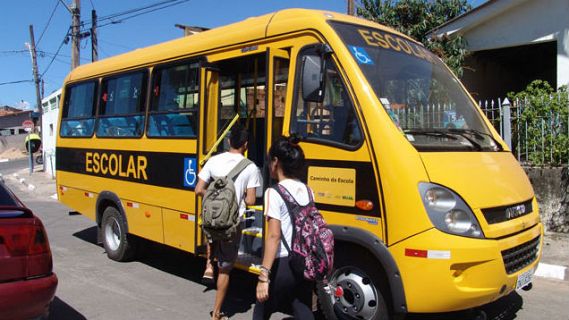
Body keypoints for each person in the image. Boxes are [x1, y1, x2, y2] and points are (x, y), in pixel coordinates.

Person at [195, 124, 261, 320]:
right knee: (225, 268)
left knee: (212, 232)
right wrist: (233, 198)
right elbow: (250, 201)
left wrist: (215, 196)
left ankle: (208, 264)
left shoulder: (213, 161)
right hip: (232, 223)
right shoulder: (250, 167)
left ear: (229, 142)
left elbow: (199, 189)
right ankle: (216, 313)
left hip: (210, 218)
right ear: (246, 145)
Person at [253, 135, 314, 320]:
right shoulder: (307, 190)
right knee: (301, 307)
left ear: (276, 162)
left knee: (261, 310)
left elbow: (274, 236)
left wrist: (264, 276)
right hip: (303, 260)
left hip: (282, 264)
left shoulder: (274, 192)